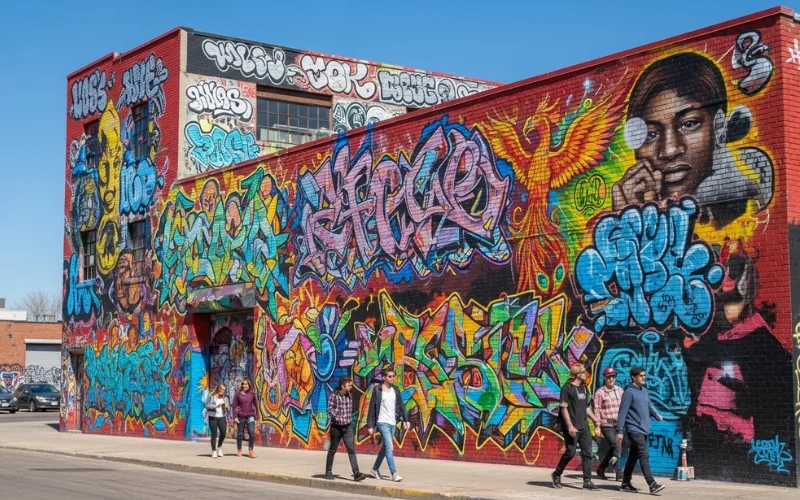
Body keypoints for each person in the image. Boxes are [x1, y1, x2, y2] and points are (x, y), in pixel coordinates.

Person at [612, 52, 771, 228]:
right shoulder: (632, 209)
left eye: (689, 124)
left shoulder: (744, 201)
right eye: (651, 135)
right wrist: (630, 223)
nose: (670, 150)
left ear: (718, 126)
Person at [551, 363, 601, 491]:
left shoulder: (584, 388)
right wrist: (569, 426)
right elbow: (563, 408)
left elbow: (586, 408)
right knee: (570, 452)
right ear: (576, 374)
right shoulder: (567, 388)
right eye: (583, 372)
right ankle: (556, 474)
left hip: (584, 427)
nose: (585, 374)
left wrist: (596, 420)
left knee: (587, 453)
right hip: (572, 427)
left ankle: (587, 481)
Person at [616, 366, 665, 494]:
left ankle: (625, 483)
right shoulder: (629, 392)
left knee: (633, 456)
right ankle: (652, 484)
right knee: (644, 454)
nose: (644, 377)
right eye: (641, 375)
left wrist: (657, 415)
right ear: (633, 377)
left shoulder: (644, 391)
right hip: (634, 428)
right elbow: (622, 413)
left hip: (644, 429)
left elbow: (649, 406)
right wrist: (620, 431)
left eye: (644, 375)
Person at [367, 367, 409, 482]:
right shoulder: (377, 390)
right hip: (382, 422)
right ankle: (394, 473)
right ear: (384, 377)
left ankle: (375, 469)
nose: (392, 378)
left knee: (386, 447)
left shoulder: (395, 389)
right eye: (390, 376)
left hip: (393, 422)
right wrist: (370, 425)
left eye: (393, 376)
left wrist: (406, 419)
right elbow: (372, 408)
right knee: (390, 446)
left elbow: (401, 405)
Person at [325, 376, 369, 481]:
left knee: (351, 449)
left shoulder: (350, 395)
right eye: (349, 385)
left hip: (348, 426)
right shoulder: (334, 396)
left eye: (351, 385)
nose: (350, 387)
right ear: (342, 386)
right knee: (332, 449)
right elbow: (329, 409)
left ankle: (356, 473)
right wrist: (338, 416)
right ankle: (328, 471)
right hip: (336, 426)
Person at [593, 367, 623, 480]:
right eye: (608, 377)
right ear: (605, 378)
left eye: (613, 377)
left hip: (619, 424)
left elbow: (624, 408)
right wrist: (597, 427)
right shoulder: (600, 393)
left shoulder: (620, 390)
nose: (611, 379)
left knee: (613, 448)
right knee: (616, 445)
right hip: (607, 424)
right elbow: (597, 410)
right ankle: (619, 472)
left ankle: (601, 469)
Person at [233, 379, 257, 458]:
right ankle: (239, 450)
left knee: (251, 433)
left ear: (249, 385)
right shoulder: (238, 394)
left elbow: (256, 404)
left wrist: (257, 416)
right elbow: (234, 406)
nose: (244, 386)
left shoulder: (252, 394)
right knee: (240, 434)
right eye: (243, 384)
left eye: (246, 384)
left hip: (250, 416)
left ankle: (251, 451)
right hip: (241, 416)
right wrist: (235, 417)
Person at [205, 383, 229, 458]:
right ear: (218, 388)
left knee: (223, 432)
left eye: (224, 389)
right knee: (214, 434)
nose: (223, 391)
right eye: (221, 389)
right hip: (213, 417)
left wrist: (226, 406)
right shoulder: (211, 397)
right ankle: (214, 451)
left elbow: (228, 406)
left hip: (221, 417)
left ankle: (219, 447)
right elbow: (207, 405)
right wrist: (215, 406)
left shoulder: (225, 398)